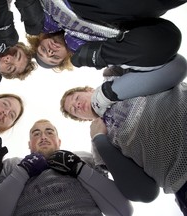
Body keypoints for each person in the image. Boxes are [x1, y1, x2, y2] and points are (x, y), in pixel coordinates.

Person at [59, 55, 187, 214]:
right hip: (183, 179)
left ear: (89, 89)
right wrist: (100, 139)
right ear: (82, 119)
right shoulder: (97, 143)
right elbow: (145, 193)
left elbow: (174, 64)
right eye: (74, 110)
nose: (77, 105)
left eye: (76, 98)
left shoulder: (112, 75)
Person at [0, 119, 160, 216]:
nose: (43, 137)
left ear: (59, 141)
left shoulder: (83, 158)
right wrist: (22, 173)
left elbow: (122, 211)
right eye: (36, 133)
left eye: (49, 132)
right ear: (29, 144)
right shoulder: (12, 165)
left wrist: (80, 169)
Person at [15, 0, 183, 72]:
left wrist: (28, 5)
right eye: (53, 57)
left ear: (41, 38)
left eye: (43, 49)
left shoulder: (46, 12)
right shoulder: (96, 43)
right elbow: (167, 39)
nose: (50, 51)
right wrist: (100, 56)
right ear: (65, 58)